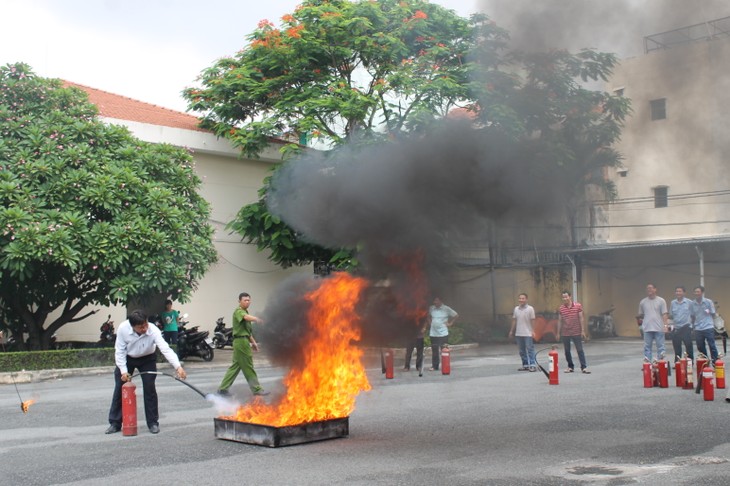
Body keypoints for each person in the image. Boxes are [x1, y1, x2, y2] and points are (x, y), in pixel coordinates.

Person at [106, 309, 186, 435]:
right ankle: (115, 423)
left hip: (147, 359)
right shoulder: (123, 329)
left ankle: (153, 423)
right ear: (133, 326)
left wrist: (178, 366)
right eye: (140, 327)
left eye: (145, 324)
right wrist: (123, 371)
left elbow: (165, 348)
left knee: (149, 388)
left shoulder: (153, 329)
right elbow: (119, 350)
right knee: (120, 388)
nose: (144, 328)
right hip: (128, 358)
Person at [217, 292, 269, 396]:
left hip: (243, 340)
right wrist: (256, 319)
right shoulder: (239, 311)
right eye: (245, 300)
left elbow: (247, 332)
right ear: (239, 301)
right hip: (241, 342)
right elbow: (245, 317)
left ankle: (223, 388)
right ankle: (256, 389)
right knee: (248, 365)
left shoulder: (245, 311)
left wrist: (254, 343)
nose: (247, 302)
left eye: (249, 300)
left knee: (236, 366)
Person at [557, 290, 590, 374]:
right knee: (567, 351)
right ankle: (570, 366)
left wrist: (582, 330)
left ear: (570, 296)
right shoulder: (561, 308)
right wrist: (558, 332)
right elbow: (560, 321)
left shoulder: (578, 306)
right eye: (563, 297)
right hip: (565, 332)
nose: (564, 299)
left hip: (576, 331)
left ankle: (584, 367)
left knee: (579, 349)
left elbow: (581, 318)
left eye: (566, 297)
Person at [638, 283, 668, 362]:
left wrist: (665, 326)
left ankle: (661, 363)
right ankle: (647, 363)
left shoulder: (661, 301)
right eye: (648, 288)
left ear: (655, 289)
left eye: (651, 288)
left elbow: (664, 314)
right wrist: (642, 325)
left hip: (659, 328)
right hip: (647, 328)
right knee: (647, 347)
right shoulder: (643, 302)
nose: (649, 290)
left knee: (661, 347)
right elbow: (641, 315)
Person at [427, 297, 458, 371]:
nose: (435, 302)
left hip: (443, 333)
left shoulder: (446, 309)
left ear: (441, 301)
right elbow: (427, 315)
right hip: (433, 333)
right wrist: (430, 322)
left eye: (436, 300)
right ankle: (435, 366)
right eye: (434, 300)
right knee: (434, 350)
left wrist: (450, 323)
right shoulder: (431, 308)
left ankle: (445, 365)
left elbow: (456, 315)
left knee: (444, 350)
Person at [690, 285, 719, 363]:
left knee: (712, 345)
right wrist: (693, 326)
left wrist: (709, 316)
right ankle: (705, 361)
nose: (696, 293)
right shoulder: (692, 303)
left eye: (698, 292)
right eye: (695, 292)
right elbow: (692, 316)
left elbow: (713, 313)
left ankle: (715, 361)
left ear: (702, 292)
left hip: (708, 326)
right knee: (700, 346)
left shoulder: (708, 302)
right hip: (698, 328)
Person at [509, 293, 537, 372]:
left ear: (526, 299)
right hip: (519, 333)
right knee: (521, 350)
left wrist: (533, 331)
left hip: (528, 333)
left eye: (523, 298)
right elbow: (514, 320)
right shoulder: (516, 309)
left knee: (530, 349)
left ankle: (532, 365)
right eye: (520, 298)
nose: (521, 300)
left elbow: (533, 320)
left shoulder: (530, 309)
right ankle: (525, 365)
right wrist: (511, 331)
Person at [669, 286, 693, 361]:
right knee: (677, 347)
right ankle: (677, 362)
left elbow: (693, 315)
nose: (678, 293)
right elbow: (671, 315)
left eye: (680, 291)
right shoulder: (673, 303)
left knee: (688, 346)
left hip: (686, 328)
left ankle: (690, 362)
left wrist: (691, 325)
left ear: (684, 293)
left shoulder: (689, 302)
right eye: (677, 291)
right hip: (676, 328)